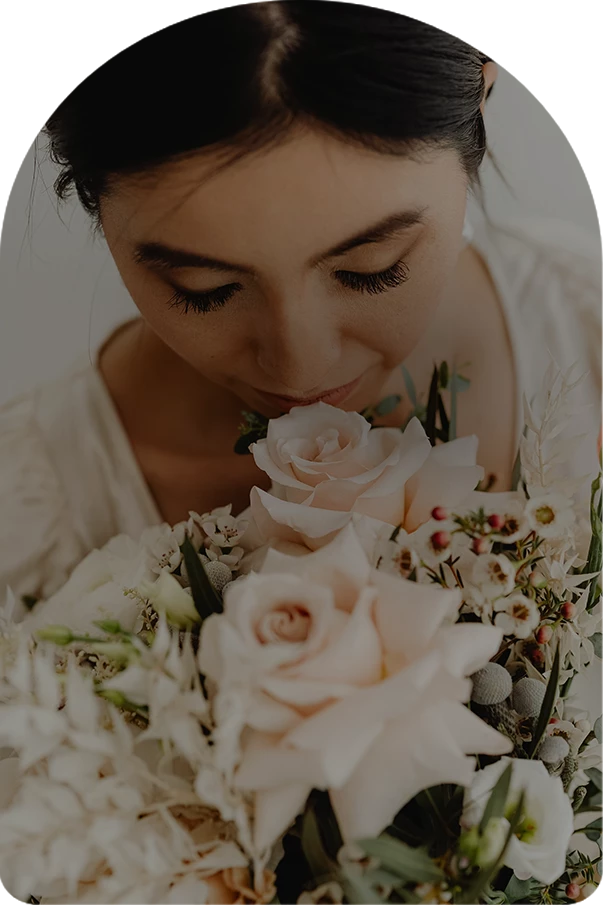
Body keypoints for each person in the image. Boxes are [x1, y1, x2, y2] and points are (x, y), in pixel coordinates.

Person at [0, 2, 602, 713]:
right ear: (94, 195)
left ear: (479, 94)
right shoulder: (27, 524)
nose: (299, 369)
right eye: (206, 291)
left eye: (372, 269)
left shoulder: (585, 332)